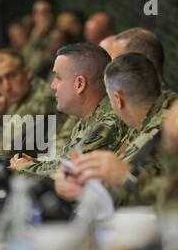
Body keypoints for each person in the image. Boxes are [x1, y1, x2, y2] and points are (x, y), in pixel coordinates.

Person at [55, 53, 176, 206]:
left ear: (118, 100)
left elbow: (140, 194)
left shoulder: (159, 131)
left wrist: (125, 177)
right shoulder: (146, 119)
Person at [10, 43, 126, 177]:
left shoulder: (107, 123)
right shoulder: (87, 119)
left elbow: (69, 173)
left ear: (80, 84)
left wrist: (25, 167)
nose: (53, 86)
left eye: (58, 77)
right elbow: (64, 162)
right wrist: (34, 163)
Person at [0, 49, 59, 161]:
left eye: (11, 76)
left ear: (27, 73)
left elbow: (1, 151)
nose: (6, 86)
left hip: (48, 170)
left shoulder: (41, 101)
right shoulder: (17, 96)